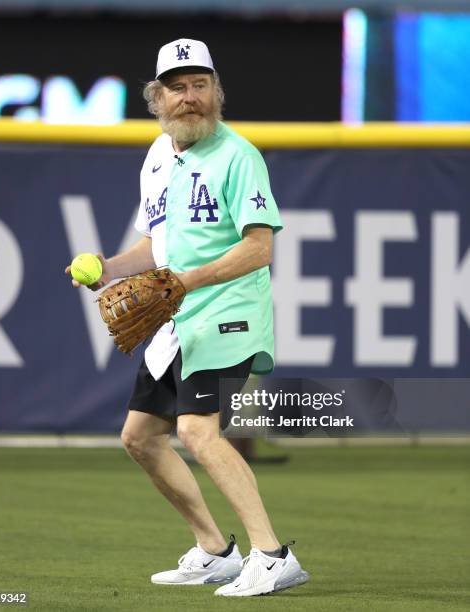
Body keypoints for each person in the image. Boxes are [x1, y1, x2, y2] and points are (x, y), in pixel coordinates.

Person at [67, 38, 309, 597]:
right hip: (178, 322)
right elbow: (156, 245)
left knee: (198, 431)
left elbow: (259, 248)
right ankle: (214, 550)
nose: (190, 97)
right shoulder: (157, 156)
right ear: (158, 98)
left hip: (228, 312)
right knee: (139, 437)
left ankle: (272, 556)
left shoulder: (238, 155)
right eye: (178, 87)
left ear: (217, 92)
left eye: (201, 85)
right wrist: (107, 268)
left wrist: (188, 280)